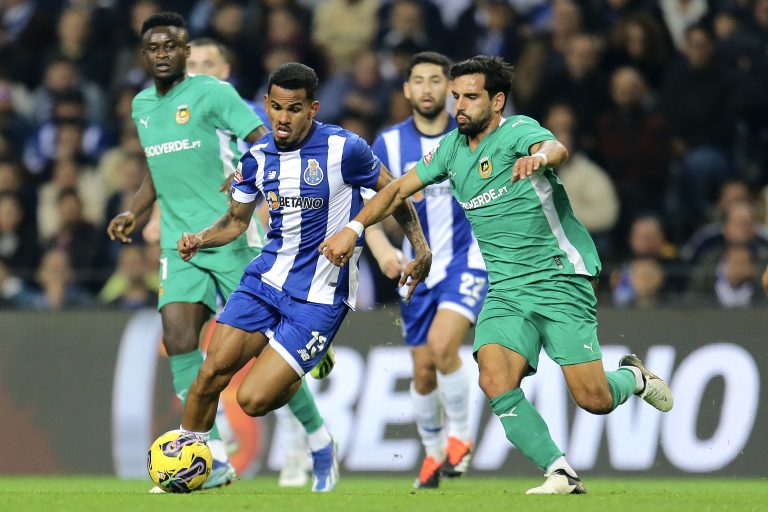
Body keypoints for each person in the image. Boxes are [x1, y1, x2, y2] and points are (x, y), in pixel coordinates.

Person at [320, 55, 674, 495]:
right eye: (456, 97)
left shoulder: (517, 131)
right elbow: (395, 191)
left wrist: (539, 158)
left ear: (497, 101)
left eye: (470, 97)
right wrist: (354, 229)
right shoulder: (450, 150)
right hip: (505, 289)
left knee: (594, 399)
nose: (459, 106)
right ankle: (560, 471)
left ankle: (635, 378)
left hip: (558, 278)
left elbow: (555, 149)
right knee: (493, 378)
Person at [176, 62, 430, 493]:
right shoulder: (257, 157)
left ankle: (306, 377)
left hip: (319, 296)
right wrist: (200, 238)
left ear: (312, 109)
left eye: (294, 109)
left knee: (252, 400)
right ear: (266, 105)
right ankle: (186, 463)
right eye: (276, 107)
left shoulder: (345, 149)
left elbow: (395, 191)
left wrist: (420, 248)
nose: (283, 118)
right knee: (209, 375)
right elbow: (236, 222)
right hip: (264, 281)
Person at [104, 12, 325, 492]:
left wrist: (248, 173)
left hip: (229, 236)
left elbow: (266, 141)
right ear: (143, 55)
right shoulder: (142, 105)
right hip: (178, 243)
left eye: (171, 46)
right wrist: (135, 212)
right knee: (179, 338)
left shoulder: (214, 94)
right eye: (153, 48)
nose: (163, 54)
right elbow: (157, 168)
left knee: (269, 347)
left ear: (185, 52)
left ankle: (316, 436)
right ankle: (212, 457)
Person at [365, 51, 487, 489]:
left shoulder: (472, 136)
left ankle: (462, 437)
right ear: (406, 89)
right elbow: (371, 211)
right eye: (418, 80)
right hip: (415, 269)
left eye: (436, 80)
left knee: (441, 345)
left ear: (450, 91)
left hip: (467, 260)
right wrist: (383, 251)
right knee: (422, 371)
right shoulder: (388, 144)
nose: (427, 88)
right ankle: (434, 455)